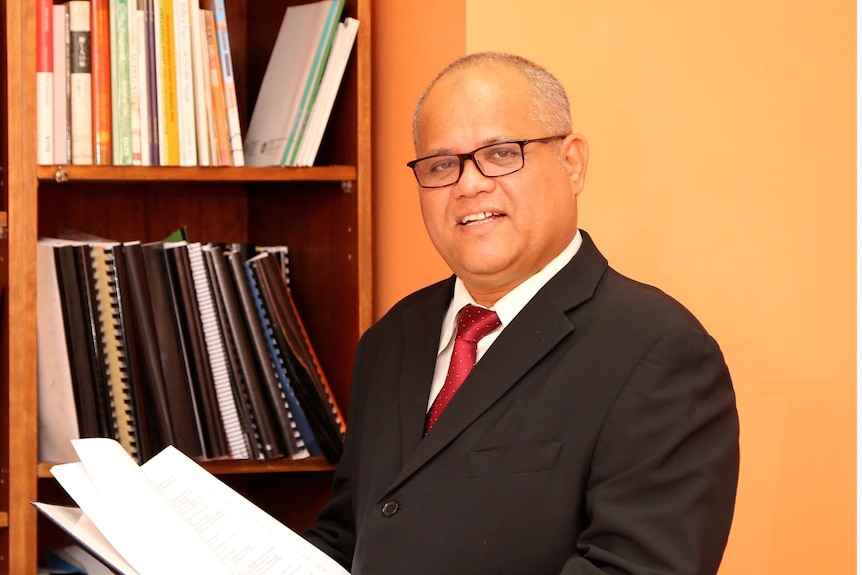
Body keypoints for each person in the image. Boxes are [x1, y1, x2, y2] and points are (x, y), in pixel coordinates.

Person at [303, 51, 739, 575]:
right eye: (441, 164)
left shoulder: (659, 350)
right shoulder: (390, 339)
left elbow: (636, 568)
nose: (469, 185)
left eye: (502, 153)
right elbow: (353, 535)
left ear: (572, 162)